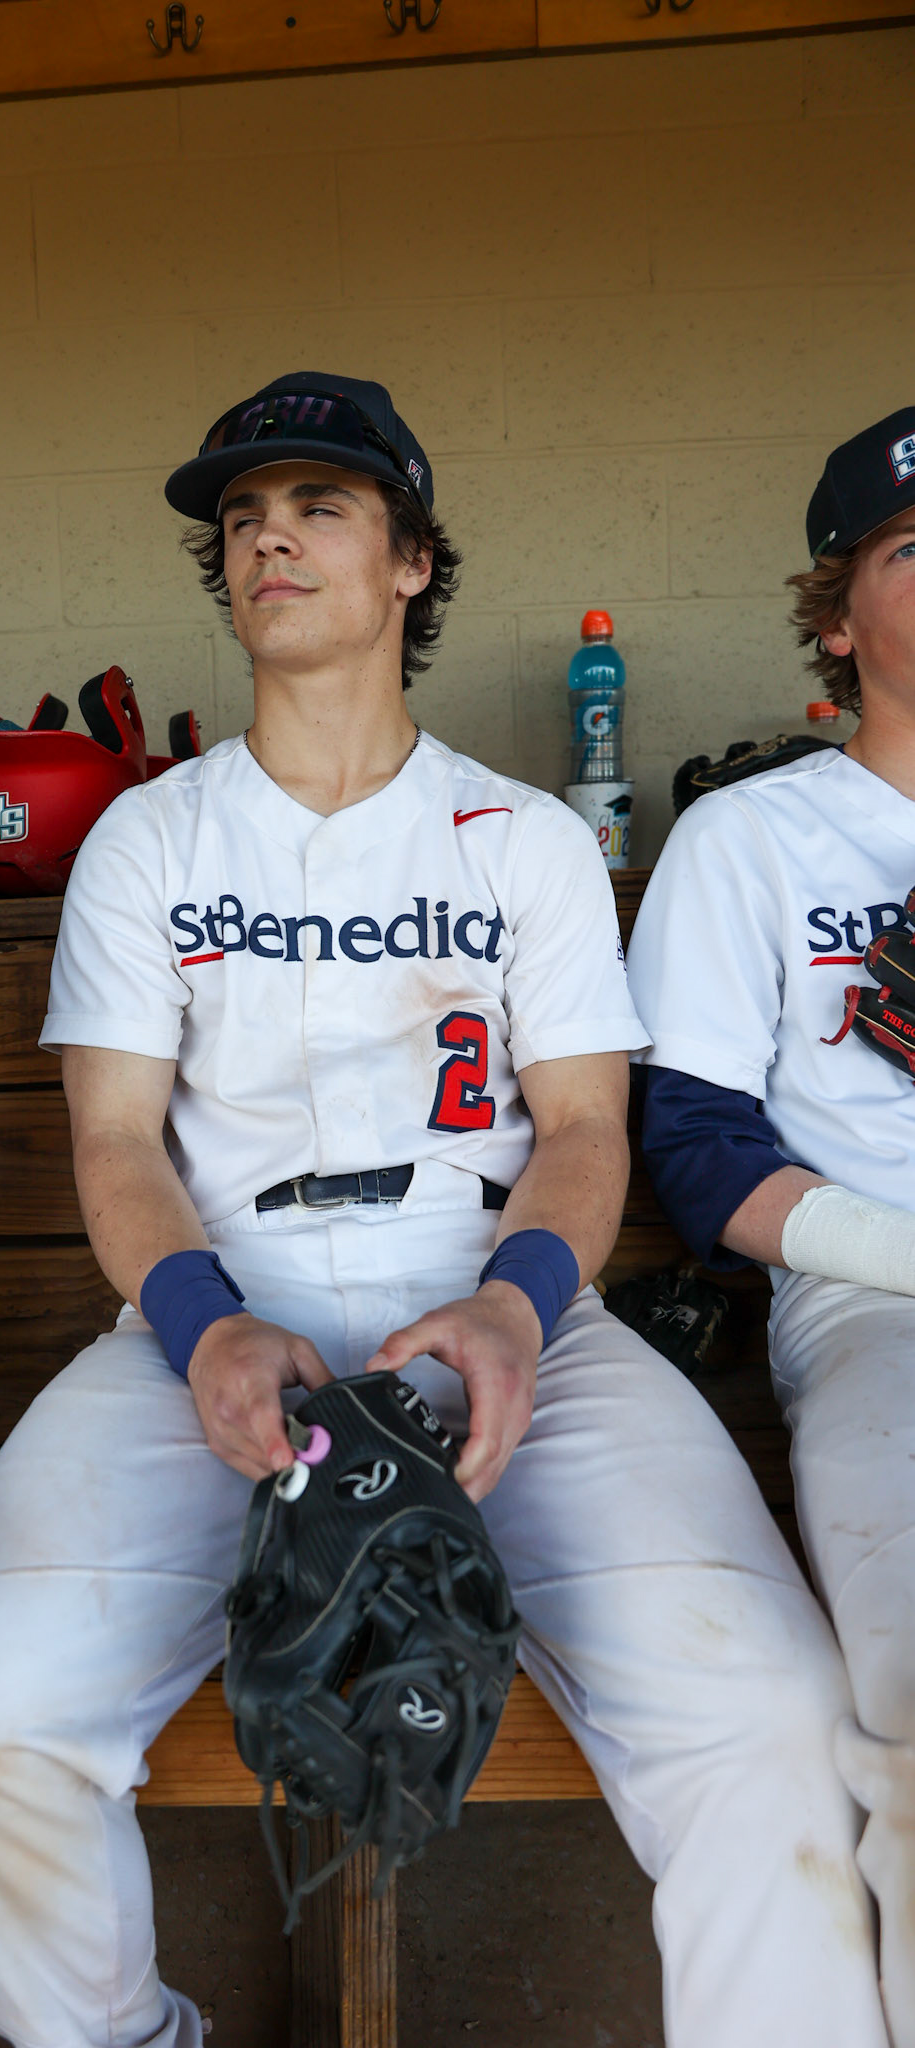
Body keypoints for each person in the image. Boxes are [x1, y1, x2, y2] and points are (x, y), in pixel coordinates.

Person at [0, 373, 887, 2048]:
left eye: (321, 507)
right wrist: (203, 1328)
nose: (268, 537)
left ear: (413, 562)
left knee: (762, 1713)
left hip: (492, 1292)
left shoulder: (522, 840)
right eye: (243, 519)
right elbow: (117, 1144)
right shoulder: (149, 841)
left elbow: (579, 1127)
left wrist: (515, 1306)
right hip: (213, 1304)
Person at [626, 404, 915, 2048]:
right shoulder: (752, 842)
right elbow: (694, 1150)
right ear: (831, 611)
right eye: (909, 547)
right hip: (878, 1304)